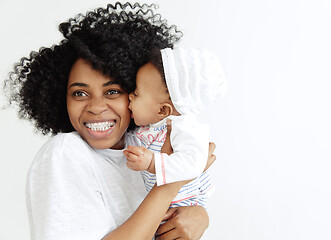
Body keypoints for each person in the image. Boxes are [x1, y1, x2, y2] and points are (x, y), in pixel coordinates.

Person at [3, 2, 215, 240]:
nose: (95, 107)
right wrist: (171, 182)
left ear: (135, 94)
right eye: (80, 93)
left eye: (112, 91)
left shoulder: (145, 143)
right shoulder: (66, 153)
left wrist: (198, 214)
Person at [124, 47, 227, 208]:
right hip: (158, 206)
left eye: (136, 94)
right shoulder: (152, 126)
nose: (129, 95)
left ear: (163, 110)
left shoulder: (185, 128)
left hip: (182, 203)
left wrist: (152, 162)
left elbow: (193, 163)